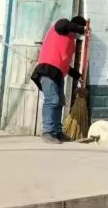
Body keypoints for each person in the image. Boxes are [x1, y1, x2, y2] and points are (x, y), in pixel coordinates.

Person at [31, 16, 85, 144]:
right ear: (74, 26)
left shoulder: (69, 40)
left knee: (59, 102)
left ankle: (57, 132)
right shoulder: (61, 27)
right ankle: (47, 132)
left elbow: (64, 63)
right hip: (47, 70)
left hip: (57, 73)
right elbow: (63, 24)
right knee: (52, 100)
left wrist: (78, 76)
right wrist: (83, 29)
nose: (77, 34)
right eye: (77, 30)